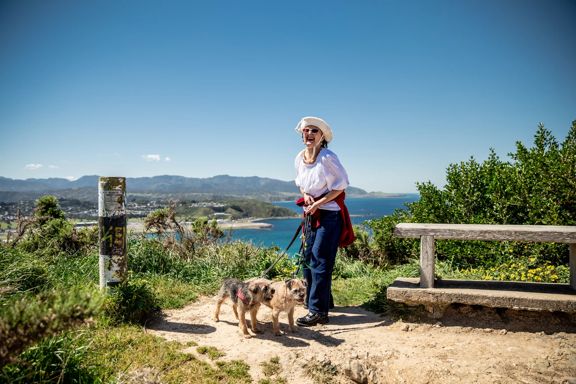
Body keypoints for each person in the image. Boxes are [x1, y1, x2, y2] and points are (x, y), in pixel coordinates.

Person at [293, 116, 354, 327]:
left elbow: (341, 186)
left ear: (322, 137)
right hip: (312, 212)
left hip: (330, 214)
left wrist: (319, 202)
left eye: (314, 131)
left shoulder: (328, 158)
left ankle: (318, 311)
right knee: (308, 257)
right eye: (306, 131)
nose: (309, 134)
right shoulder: (299, 158)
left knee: (320, 259)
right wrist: (307, 195)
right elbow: (302, 184)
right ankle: (320, 300)